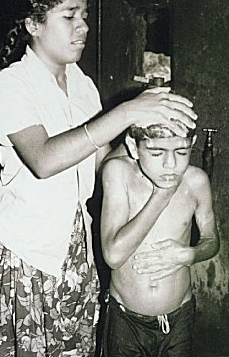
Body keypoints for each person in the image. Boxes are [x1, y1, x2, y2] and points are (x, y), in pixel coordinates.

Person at [0, 0, 197, 357]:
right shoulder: (9, 85)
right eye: (69, 16)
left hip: (74, 246)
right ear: (33, 24)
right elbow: (42, 159)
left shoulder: (81, 84)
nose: (83, 27)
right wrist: (125, 113)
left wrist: (156, 154)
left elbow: (100, 163)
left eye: (85, 16)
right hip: (25, 251)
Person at [100, 119, 220, 357]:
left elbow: (212, 241)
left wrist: (190, 254)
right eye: (156, 153)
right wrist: (162, 195)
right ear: (134, 148)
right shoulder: (118, 172)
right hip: (126, 320)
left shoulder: (196, 181)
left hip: (179, 317)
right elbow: (113, 255)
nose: (170, 164)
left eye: (182, 151)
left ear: (192, 143)